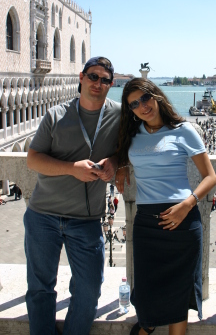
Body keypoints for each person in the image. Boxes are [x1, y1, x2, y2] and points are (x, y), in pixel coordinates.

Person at [24, 56, 121, 335]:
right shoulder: (55, 115)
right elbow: (33, 160)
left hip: (86, 219)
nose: (98, 83)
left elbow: (130, 148)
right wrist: (71, 169)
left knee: (89, 290)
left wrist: (115, 161)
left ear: (111, 85)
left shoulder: (118, 116)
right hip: (43, 215)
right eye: (93, 76)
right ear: (81, 77)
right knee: (40, 289)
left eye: (105, 80)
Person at [115, 78, 216, 335]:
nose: (142, 106)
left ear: (156, 96)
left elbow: (210, 177)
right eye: (134, 104)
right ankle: (146, 326)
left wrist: (187, 205)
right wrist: (120, 165)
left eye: (145, 98)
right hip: (147, 223)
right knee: (147, 290)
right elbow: (115, 152)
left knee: (179, 295)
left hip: (183, 220)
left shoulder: (184, 130)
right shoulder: (131, 134)